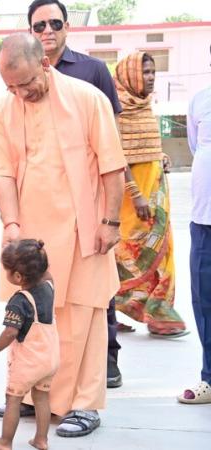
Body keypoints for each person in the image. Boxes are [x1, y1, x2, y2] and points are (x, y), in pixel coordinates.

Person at [0, 34, 125, 438]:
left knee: (83, 315)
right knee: (33, 314)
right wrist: (11, 223)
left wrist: (110, 222)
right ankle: (31, 393)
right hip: (31, 233)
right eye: (11, 86)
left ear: (45, 64)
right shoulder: (2, 109)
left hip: (83, 226)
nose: (20, 93)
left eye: (26, 83)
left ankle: (84, 403)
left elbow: (112, 166)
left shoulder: (88, 98)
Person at [26, 0, 126, 388]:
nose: (47, 31)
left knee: (93, 294)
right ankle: (40, 387)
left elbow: (111, 141)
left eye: (55, 23)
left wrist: (111, 214)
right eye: (39, 26)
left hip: (89, 202)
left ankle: (106, 361)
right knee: (43, 297)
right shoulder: (24, 75)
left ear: (67, 27)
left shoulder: (92, 72)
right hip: (44, 208)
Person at [113, 51, 187, 338]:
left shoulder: (145, 106)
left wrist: (160, 157)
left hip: (155, 191)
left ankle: (159, 312)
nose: (151, 77)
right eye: (145, 72)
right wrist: (136, 194)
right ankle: (113, 309)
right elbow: (115, 156)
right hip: (132, 200)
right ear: (130, 75)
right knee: (128, 255)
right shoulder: (118, 110)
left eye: (153, 71)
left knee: (162, 253)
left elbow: (145, 147)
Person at [0, 240, 58, 450]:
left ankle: (5, 441)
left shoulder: (18, 302)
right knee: (41, 397)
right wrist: (38, 257)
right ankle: (41, 439)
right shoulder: (49, 286)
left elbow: (10, 332)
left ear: (17, 277)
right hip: (50, 358)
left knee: (13, 399)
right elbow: (46, 272)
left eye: (7, 270)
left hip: (28, 361)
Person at [181, 64, 211, 404]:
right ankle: (210, 378)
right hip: (204, 220)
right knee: (205, 301)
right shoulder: (200, 100)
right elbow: (195, 146)